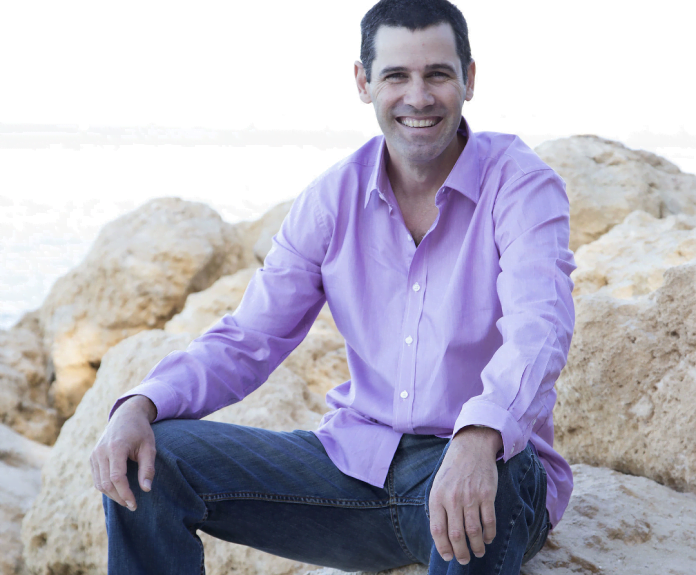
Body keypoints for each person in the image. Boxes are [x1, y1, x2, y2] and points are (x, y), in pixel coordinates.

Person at [90, 0, 575, 573]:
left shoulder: (521, 185)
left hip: (482, 467)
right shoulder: (332, 198)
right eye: (396, 76)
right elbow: (248, 339)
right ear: (364, 83)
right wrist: (141, 403)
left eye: (438, 74)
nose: (418, 97)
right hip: (355, 473)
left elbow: (539, 327)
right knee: (152, 457)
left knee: (492, 480)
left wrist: (479, 434)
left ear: (469, 79)